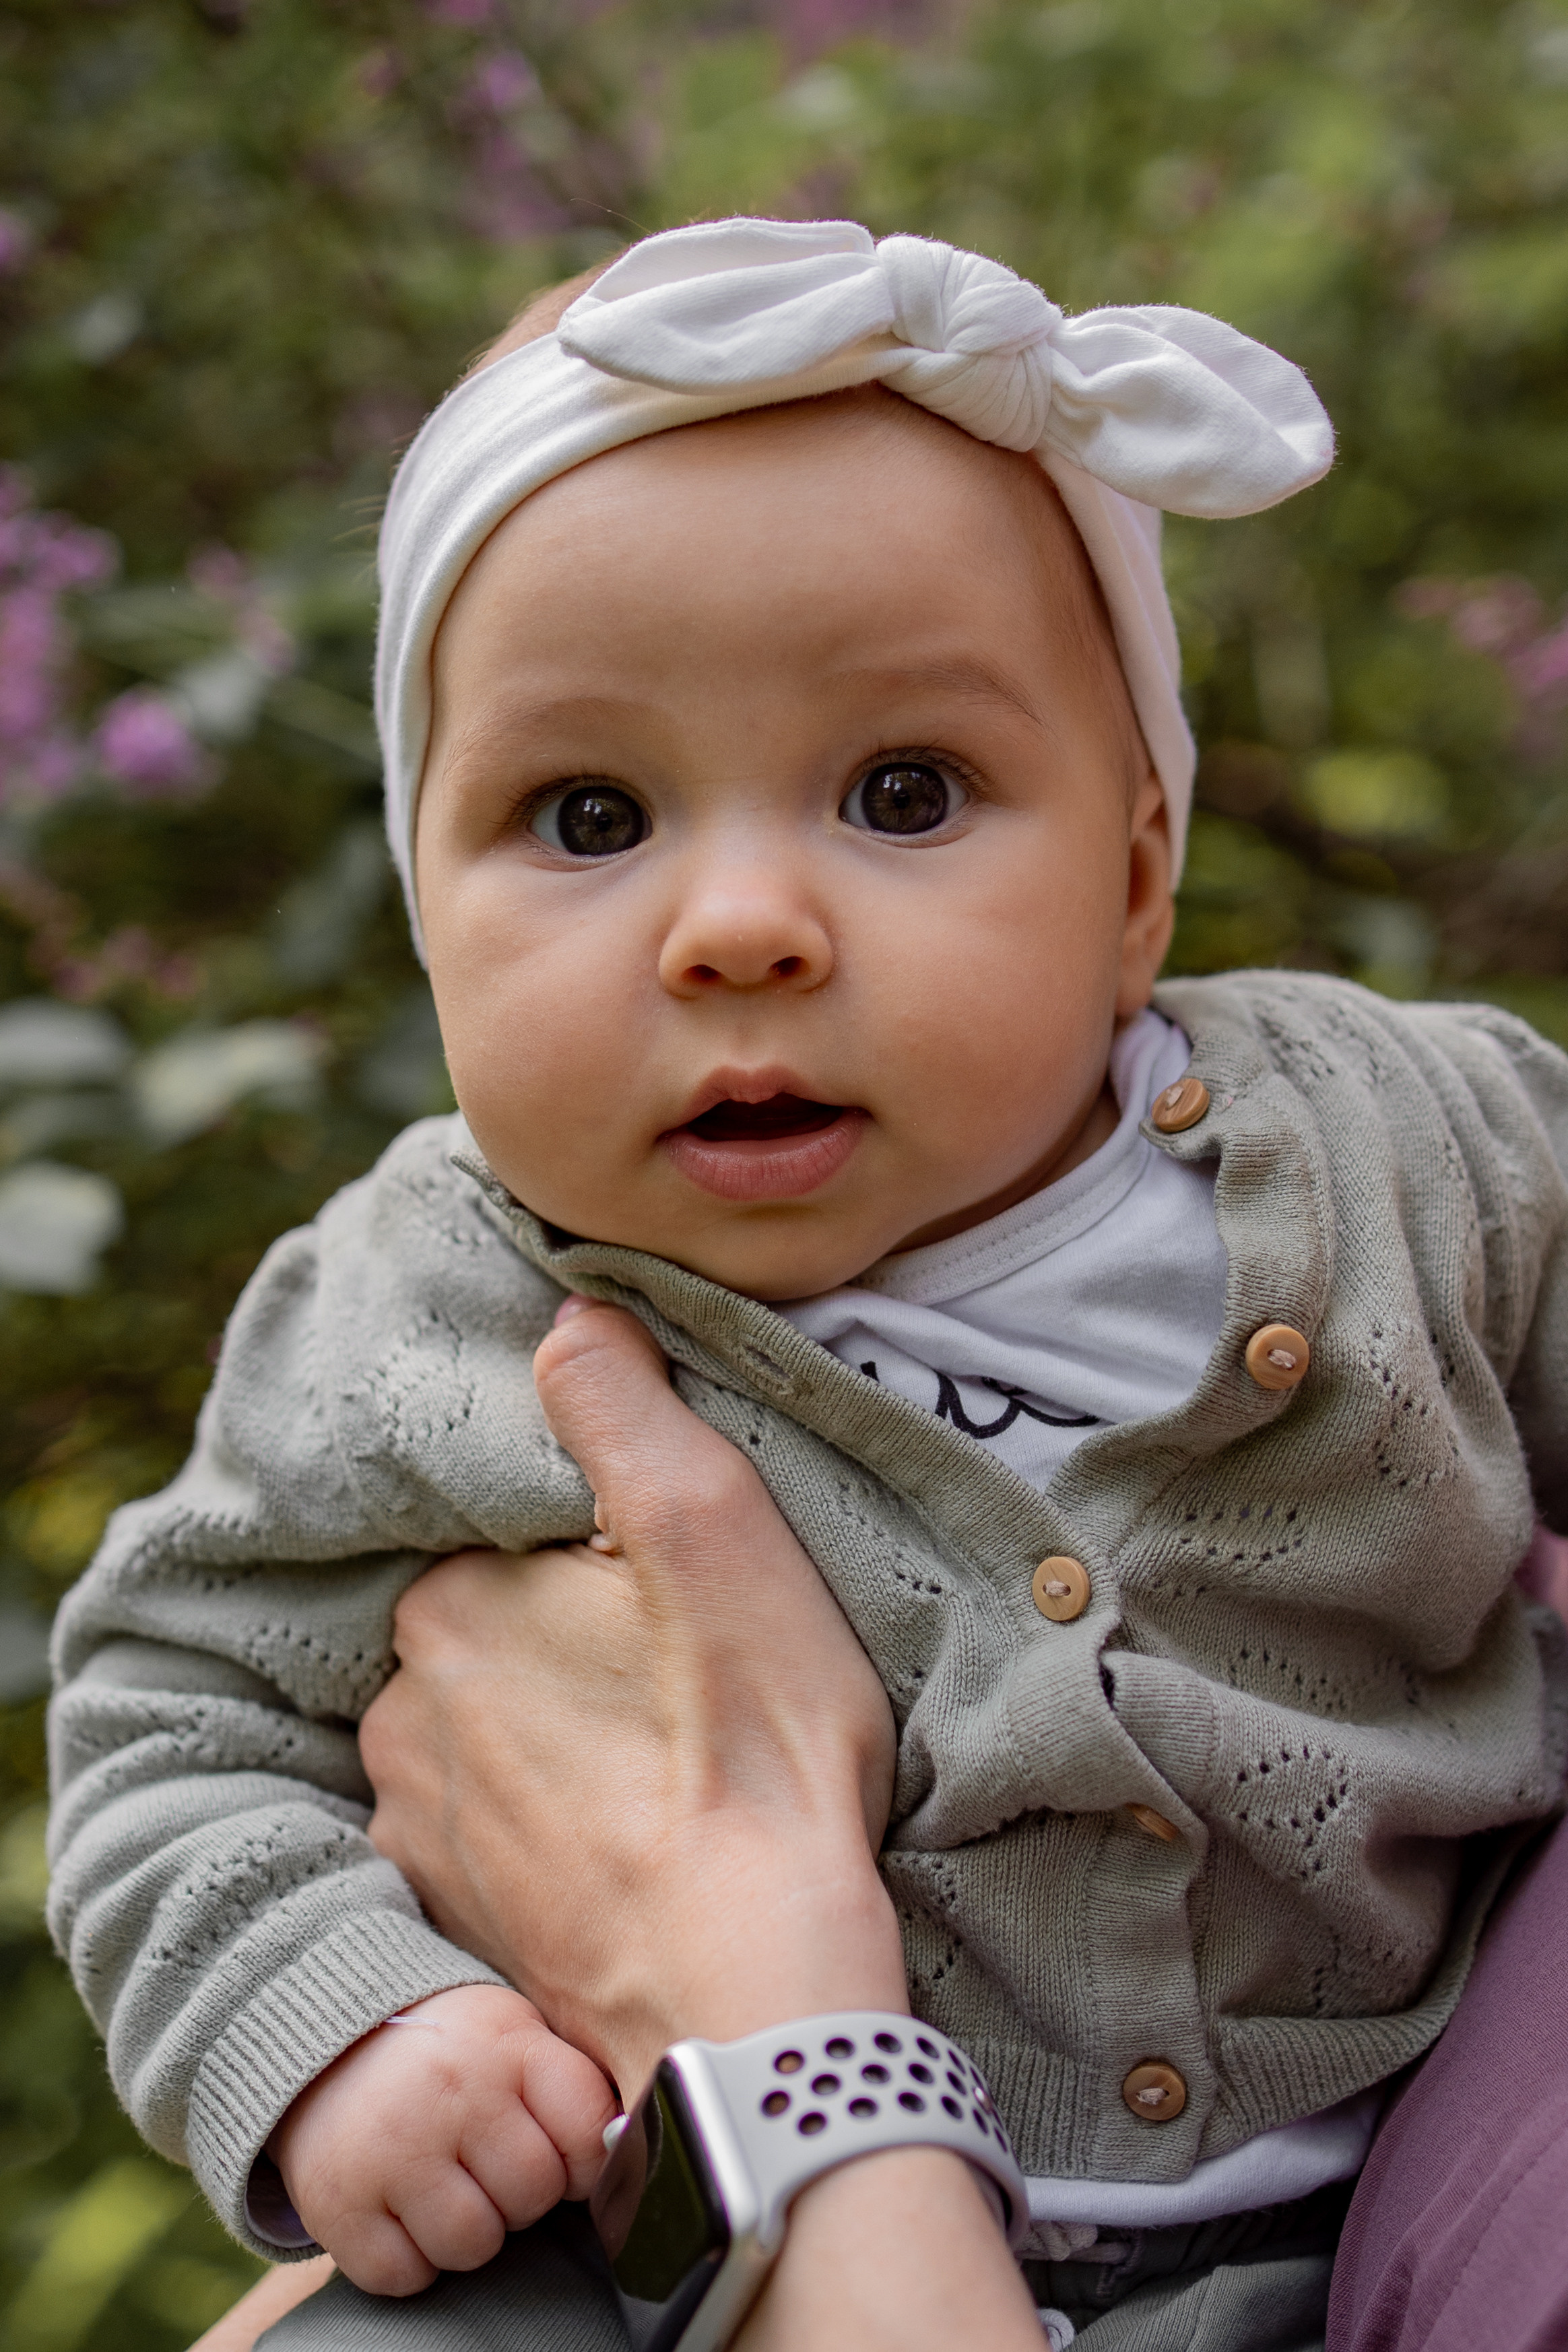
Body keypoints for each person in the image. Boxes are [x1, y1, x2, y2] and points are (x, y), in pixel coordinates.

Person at [46, 218, 1568, 2351]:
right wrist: (341, 2031)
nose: (739, 924)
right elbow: (172, 1716)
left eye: (903, 791)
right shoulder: (421, 1308)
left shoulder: (1421, 1154)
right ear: (426, 917)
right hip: (659, 2241)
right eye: (589, 813)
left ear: (1137, 880)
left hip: (1354, 2218)